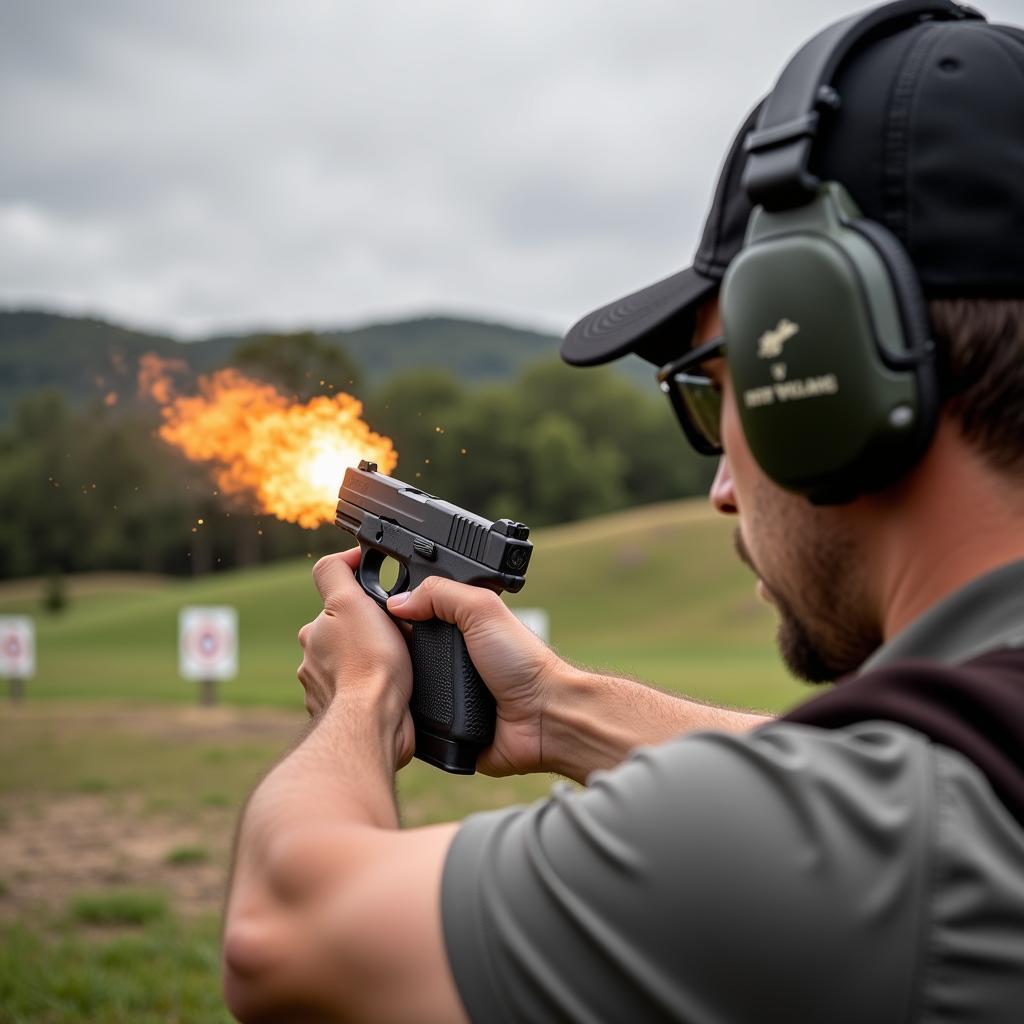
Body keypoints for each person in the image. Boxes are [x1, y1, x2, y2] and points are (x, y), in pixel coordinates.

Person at [223, 2, 1024, 1021]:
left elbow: (283, 940)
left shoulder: (900, 843)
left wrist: (360, 700)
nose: (722, 486)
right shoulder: (938, 788)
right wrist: (557, 709)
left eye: (709, 390)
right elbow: (849, 775)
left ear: (821, 380)